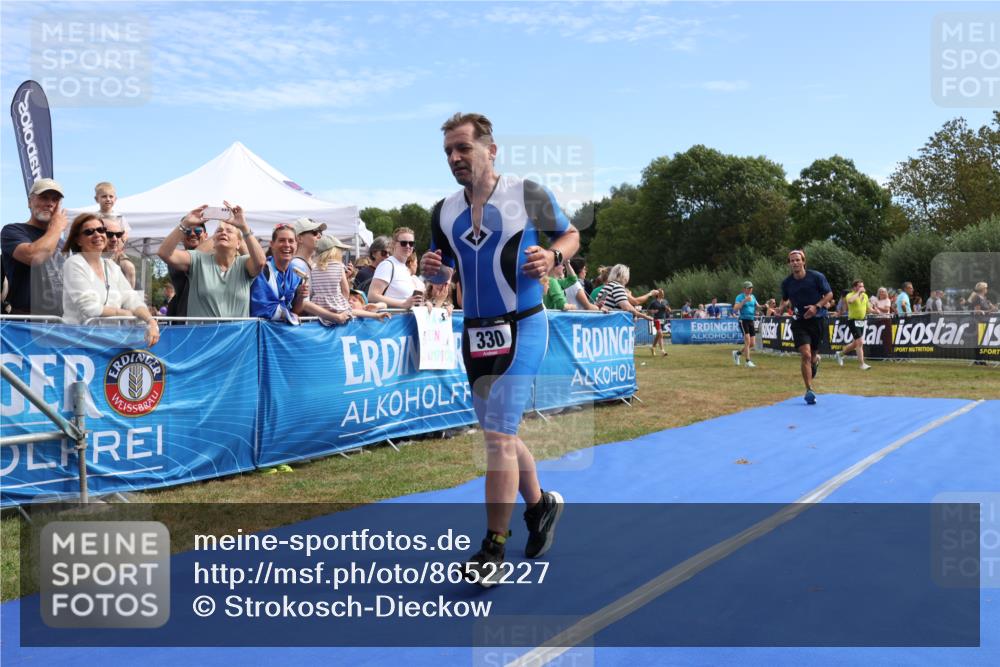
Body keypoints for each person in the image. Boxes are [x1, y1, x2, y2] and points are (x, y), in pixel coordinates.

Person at [421, 112, 580, 587]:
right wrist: (433, 269)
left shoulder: (526, 192)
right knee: (500, 433)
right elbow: (442, 270)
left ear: (491, 150)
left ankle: (493, 547)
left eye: (463, 148)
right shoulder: (443, 210)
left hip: (525, 325)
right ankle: (541, 505)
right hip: (475, 331)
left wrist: (553, 257)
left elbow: (569, 235)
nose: (454, 158)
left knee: (497, 437)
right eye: (448, 151)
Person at [60, 213, 159, 346]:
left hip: (110, 340)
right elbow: (89, 307)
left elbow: (132, 299)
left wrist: (150, 321)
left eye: (101, 230)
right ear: (78, 240)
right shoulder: (73, 263)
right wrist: (124, 313)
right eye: (89, 232)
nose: (97, 234)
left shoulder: (111, 266)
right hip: (79, 342)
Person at [157, 203, 264, 318]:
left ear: (239, 243)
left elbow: (260, 262)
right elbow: (164, 253)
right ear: (212, 242)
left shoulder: (243, 263)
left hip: (237, 335)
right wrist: (186, 223)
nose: (223, 232)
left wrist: (244, 226)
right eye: (219, 231)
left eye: (229, 231)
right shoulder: (198, 260)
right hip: (203, 334)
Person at [1, 178, 68, 315]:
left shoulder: (61, 242)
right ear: (29, 202)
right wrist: (56, 227)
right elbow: (34, 256)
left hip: (60, 322)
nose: (50, 203)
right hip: (27, 322)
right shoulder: (13, 230)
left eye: (55, 200)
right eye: (44, 197)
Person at [778, 249, 833, 405]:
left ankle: (815, 363)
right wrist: (780, 309)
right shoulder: (787, 283)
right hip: (799, 321)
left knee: (813, 356)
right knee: (806, 355)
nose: (795, 263)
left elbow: (829, 295)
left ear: (803, 262)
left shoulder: (816, 277)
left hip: (817, 320)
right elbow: (785, 299)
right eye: (792, 260)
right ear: (789, 264)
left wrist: (816, 306)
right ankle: (809, 390)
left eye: (797, 260)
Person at [306, 235, 390, 324]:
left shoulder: (313, 267)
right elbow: (345, 290)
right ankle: (376, 316)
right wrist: (342, 302)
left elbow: (311, 290)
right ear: (334, 252)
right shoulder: (338, 266)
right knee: (349, 311)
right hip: (337, 305)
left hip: (317, 307)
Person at [251, 224, 310, 323]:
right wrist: (288, 315)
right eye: (282, 240)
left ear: (296, 245)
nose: (287, 245)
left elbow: (296, 311)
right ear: (272, 244)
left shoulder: (297, 274)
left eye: (291, 241)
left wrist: (300, 296)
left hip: (283, 334)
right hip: (262, 332)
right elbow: (260, 309)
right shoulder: (263, 270)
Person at [368, 227, 423, 309]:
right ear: (394, 244)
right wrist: (403, 304)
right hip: (391, 319)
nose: (408, 246)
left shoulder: (405, 268)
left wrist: (424, 303)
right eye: (403, 243)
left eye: (411, 243)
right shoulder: (387, 265)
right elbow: (372, 296)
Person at [835, 279, 872, 370]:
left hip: (862, 321)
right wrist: (859, 292)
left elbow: (869, 308)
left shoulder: (865, 296)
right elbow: (850, 301)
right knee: (860, 342)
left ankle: (840, 354)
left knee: (855, 343)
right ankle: (862, 364)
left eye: (863, 286)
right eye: (860, 286)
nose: (862, 288)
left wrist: (876, 310)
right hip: (853, 321)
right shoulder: (850, 295)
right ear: (854, 287)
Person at [99, 212, 136, 288]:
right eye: (109, 234)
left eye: (118, 234)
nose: (114, 239)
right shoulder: (84, 259)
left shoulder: (126, 267)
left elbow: (129, 298)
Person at [731, 281, 759, 367]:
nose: (751, 290)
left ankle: (737, 353)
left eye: (751, 288)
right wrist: (744, 301)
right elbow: (735, 309)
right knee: (747, 340)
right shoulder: (740, 297)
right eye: (749, 288)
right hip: (743, 320)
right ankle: (747, 361)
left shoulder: (753, 296)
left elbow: (758, 306)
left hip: (751, 320)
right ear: (744, 289)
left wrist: (766, 305)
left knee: (752, 343)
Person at [646, 289, 668, 356]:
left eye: (663, 293)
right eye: (662, 293)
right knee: (660, 333)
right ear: (658, 294)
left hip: (663, 319)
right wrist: (653, 311)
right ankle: (662, 351)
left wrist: (668, 309)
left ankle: (652, 347)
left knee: (658, 335)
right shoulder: (653, 302)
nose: (663, 294)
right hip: (656, 319)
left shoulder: (665, 301)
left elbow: (668, 309)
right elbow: (648, 310)